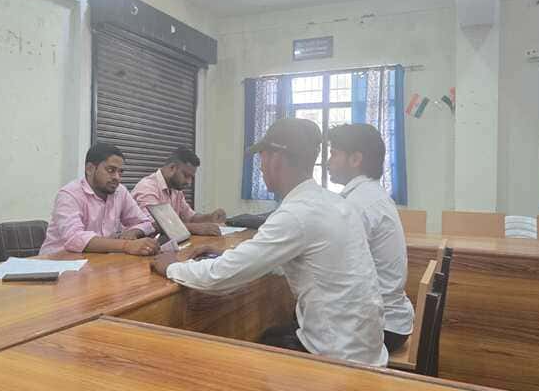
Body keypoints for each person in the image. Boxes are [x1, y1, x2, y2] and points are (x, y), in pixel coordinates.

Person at [151, 118, 387, 367]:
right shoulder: (334, 202)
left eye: (261, 158)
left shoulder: (296, 213)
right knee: (270, 335)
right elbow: (291, 257)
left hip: (339, 359)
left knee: (244, 359)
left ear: (276, 158)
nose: (261, 167)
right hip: (366, 348)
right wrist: (229, 255)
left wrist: (172, 266)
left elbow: (221, 277)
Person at [328, 123, 414, 353]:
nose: (328, 161)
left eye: (334, 154)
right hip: (393, 321)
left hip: (381, 328)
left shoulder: (357, 204)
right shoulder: (372, 195)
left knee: (280, 336)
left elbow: (335, 271)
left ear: (355, 159)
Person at [39, 142, 158, 256]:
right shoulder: (69, 195)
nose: (117, 177)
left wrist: (134, 231)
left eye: (120, 172)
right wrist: (126, 245)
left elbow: (145, 222)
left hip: (96, 261)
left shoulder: (120, 192)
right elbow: (75, 238)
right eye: (111, 170)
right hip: (57, 263)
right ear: (90, 169)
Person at [132, 147, 227, 237]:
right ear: (172, 167)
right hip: (141, 245)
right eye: (186, 175)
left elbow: (190, 217)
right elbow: (153, 225)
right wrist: (196, 228)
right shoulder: (147, 187)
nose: (189, 182)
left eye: (191, 177)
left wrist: (210, 217)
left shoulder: (176, 189)